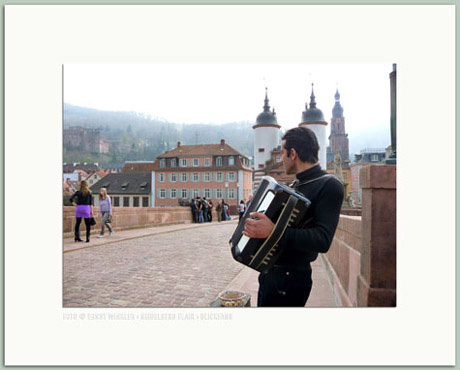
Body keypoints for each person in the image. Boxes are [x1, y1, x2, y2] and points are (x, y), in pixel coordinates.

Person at [243, 127, 344, 307]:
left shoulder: (330, 185)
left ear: (293, 153)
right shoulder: (297, 183)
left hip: (290, 280)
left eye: (282, 153)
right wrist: (258, 208)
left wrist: (273, 231)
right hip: (271, 274)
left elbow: (322, 240)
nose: (281, 159)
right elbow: (285, 223)